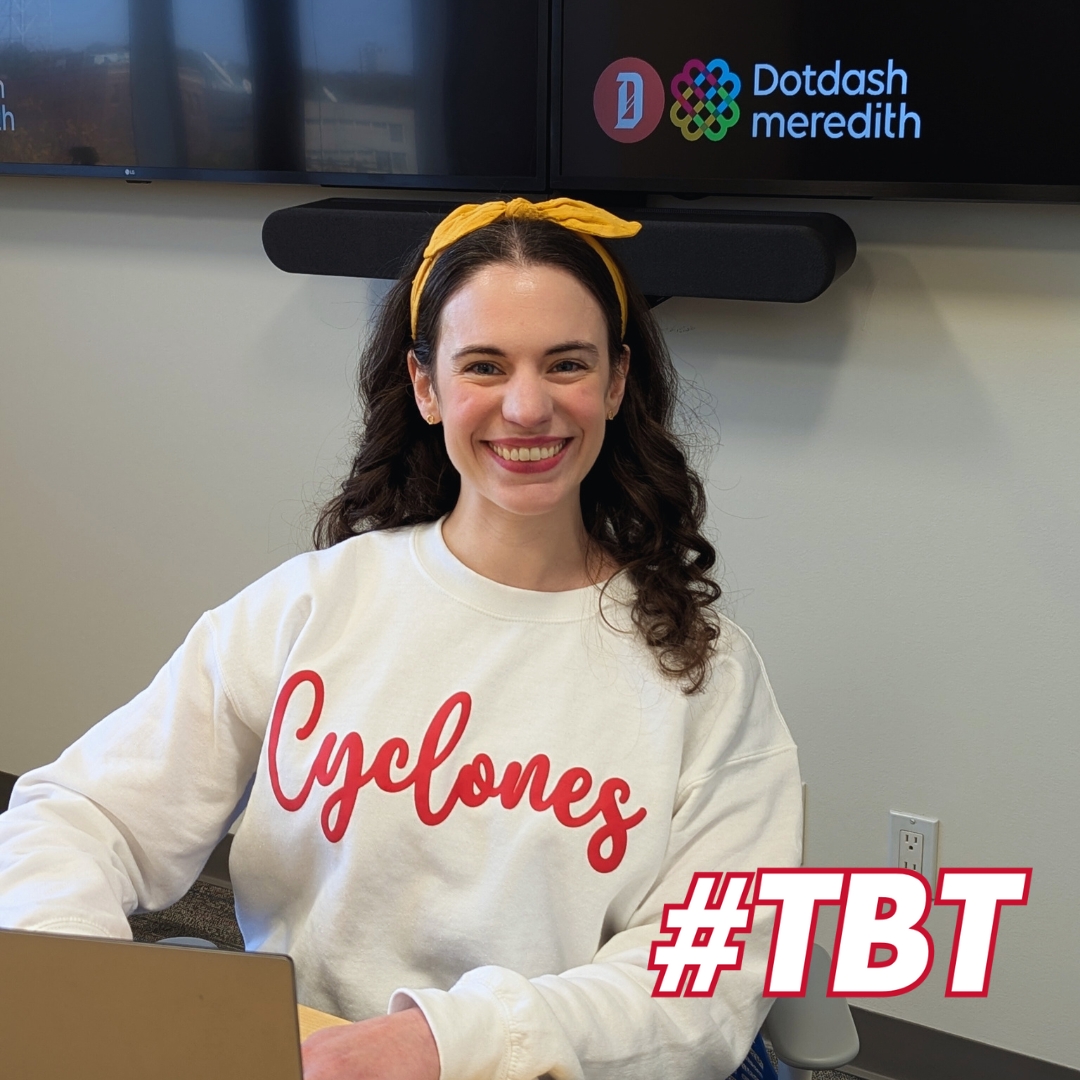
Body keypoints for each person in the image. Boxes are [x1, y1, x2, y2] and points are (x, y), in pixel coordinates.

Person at [0, 198, 802, 1080]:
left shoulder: (706, 673)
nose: (527, 406)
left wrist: (446, 1042)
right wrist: (78, 979)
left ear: (615, 382)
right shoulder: (314, 605)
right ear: (427, 386)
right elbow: (82, 813)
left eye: (565, 364)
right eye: (485, 365)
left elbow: (705, 986)